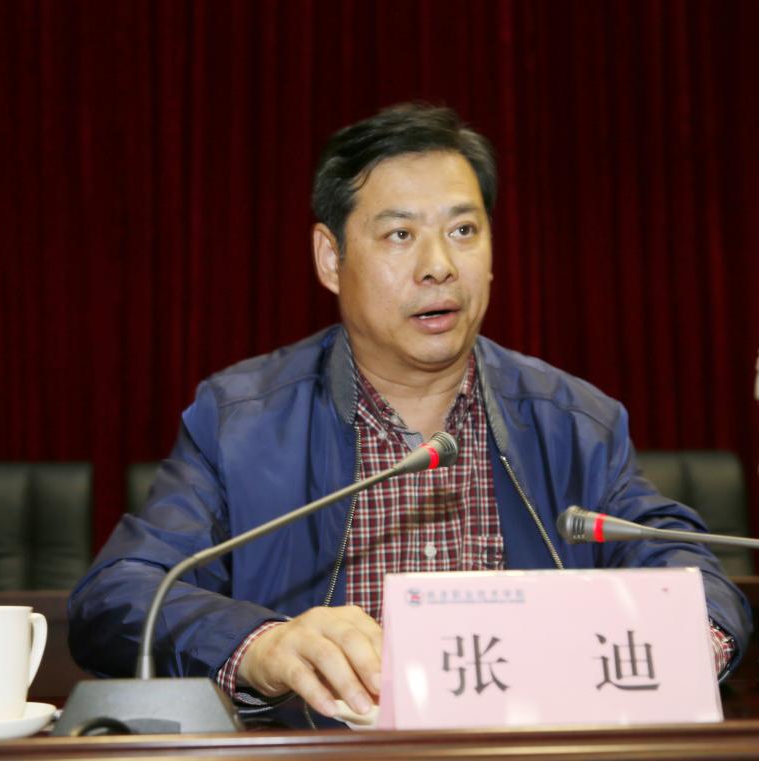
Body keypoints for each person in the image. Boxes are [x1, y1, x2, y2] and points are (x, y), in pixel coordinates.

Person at [67, 103, 751, 726]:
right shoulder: (239, 422)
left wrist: (698, 641)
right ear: (330, 258)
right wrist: (264, 646)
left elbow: (688, 570)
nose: (438, 266)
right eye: (400, 234)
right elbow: (120, 595)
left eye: (463, 230)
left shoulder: (574, 422)